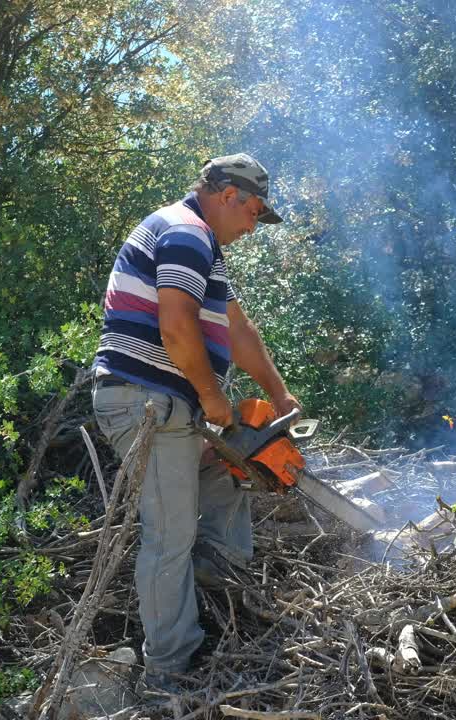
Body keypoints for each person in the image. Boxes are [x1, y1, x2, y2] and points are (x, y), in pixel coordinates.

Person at [90, 153, 301, 690]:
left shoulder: (202, 246)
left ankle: (220, 597)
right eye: (254, 211)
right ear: (228, 195)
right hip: (148, 404)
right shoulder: (186, 233)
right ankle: (169, 669)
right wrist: (212, 398)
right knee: (169, 535)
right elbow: (176, 326)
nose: (254, 225)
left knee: (227, 479)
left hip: (168, 405)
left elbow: (237, 328)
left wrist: (278, 395)